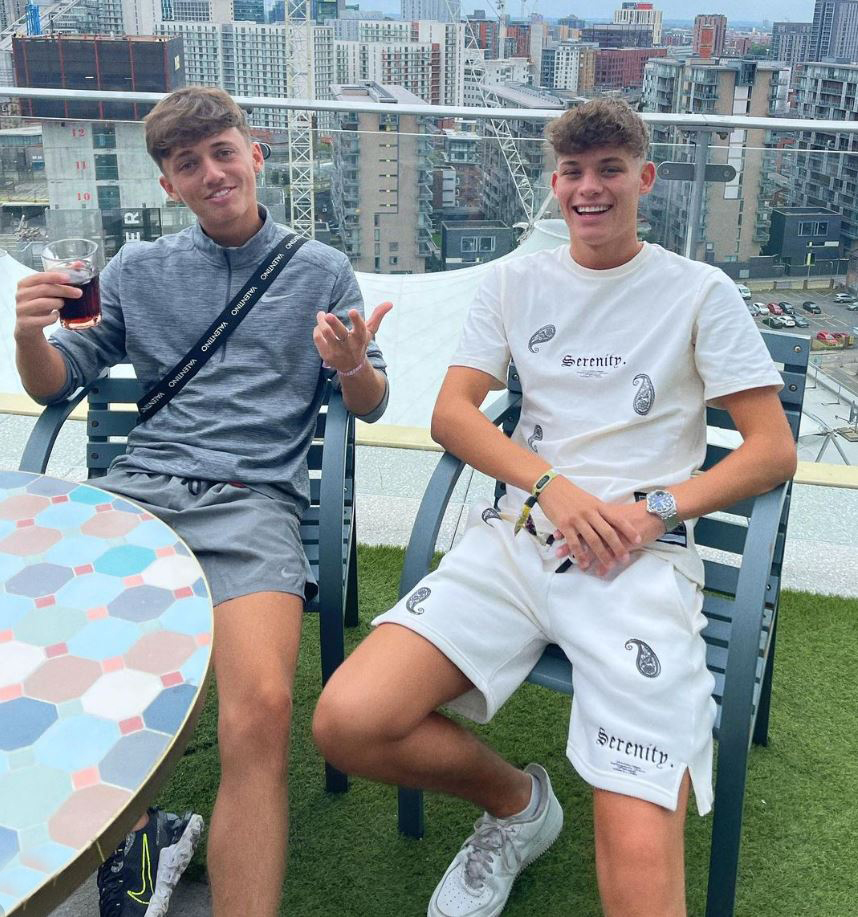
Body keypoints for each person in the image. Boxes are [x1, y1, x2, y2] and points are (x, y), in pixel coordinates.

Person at [312, 98, 797, 917]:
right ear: (555, 182)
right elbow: (453, 413)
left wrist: (657, 508)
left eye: (610, 170)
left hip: (638, 564)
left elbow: (772, 449)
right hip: (518, 542)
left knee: (639, 873)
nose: (589, 188)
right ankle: (519, 804)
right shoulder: (513, 281)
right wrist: (549, 485)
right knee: (347, 721)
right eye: (573, 172)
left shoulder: (699, 292)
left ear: (644, 178)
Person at [14, 87, 391, 917]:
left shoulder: (322, 270)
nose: (213, 173)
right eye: (189, 163)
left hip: (254, 504)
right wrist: (27, 335)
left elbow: (369, 405)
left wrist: (353, 365)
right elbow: (58, 381)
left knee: (260, 711)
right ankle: (141, 828)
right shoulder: (135, 270)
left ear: (255, 154)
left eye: (224, 152)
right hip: (137, 494)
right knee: (52, 673)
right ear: (169, 184)